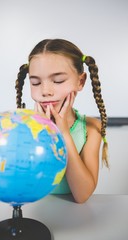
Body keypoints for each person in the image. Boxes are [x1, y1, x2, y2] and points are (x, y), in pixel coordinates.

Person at [15, 39, 109, 203]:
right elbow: (23, 185)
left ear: (80, 81)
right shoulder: (20, 124)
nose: (45, 91)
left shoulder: (91, 128)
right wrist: (41, 131)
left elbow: (82, 195)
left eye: (58, 81)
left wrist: (63, 133)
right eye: (35, 82)